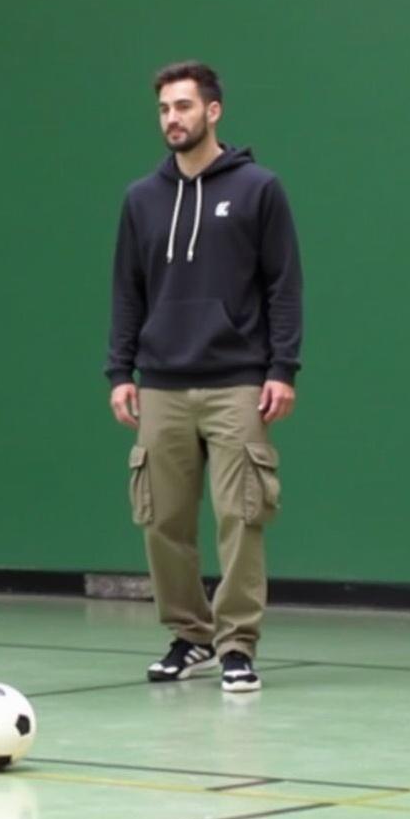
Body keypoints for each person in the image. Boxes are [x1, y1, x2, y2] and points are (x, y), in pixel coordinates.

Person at [105, 61, 302, 693]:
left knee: (240, 516)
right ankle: (189, 636)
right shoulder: (141, 199)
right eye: (164, 108)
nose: (173, 119)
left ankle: (237, 645)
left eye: (184, 107)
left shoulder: (258, 190)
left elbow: (283, 286)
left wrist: (282, 369)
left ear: (213, 112)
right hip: (160, 381)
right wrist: (120, 370)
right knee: (162, 519)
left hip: (238, 381)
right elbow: (127, 292)